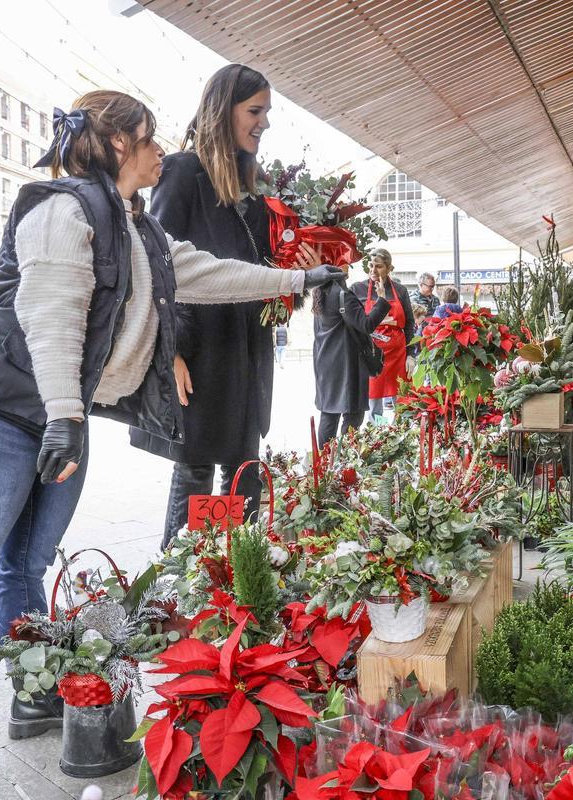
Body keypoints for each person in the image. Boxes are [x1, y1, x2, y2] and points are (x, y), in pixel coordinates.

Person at [0, 89, 341, 800]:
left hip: (54, 414)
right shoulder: (63, 208)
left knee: (28, 560)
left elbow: (208, 273)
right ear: (120, 144)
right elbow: (51, 315)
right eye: (152, 137)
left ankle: (33, 687)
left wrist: (300, 278)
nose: (165, 150)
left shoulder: (137, 230)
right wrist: (67, 415)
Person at [127, 65, 318, 549]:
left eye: (267, 113)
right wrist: (167, 351)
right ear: (222, 110)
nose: (264, 123)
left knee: (244, 474)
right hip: (201, 357)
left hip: (246, 358)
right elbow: (156, 265)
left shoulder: (252, 187)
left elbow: (259, 284)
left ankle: (236, 580)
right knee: (195, 472)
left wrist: (297, 275)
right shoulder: (184, 172)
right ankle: (178, 593)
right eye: (255, 111)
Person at [313, 269, 389, 446]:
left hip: (325, 362)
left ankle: (324, 464)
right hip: (347, 363)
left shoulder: (321, 291)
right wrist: (382, 299)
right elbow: (366, 324)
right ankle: (345, 461)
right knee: (353, 415)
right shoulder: (342, 295)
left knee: (329, 414)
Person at [354, 248, 413, 421]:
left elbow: (409, 323)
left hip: (397, 354)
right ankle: (378, 436)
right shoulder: (358, 289)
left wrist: (411, 354)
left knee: (401, 401)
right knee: (374, 404)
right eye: (370, 265)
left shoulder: (400, 291)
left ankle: (400, 435)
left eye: (378, 266)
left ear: (389, 268)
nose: (373, 270)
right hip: (372, 353)